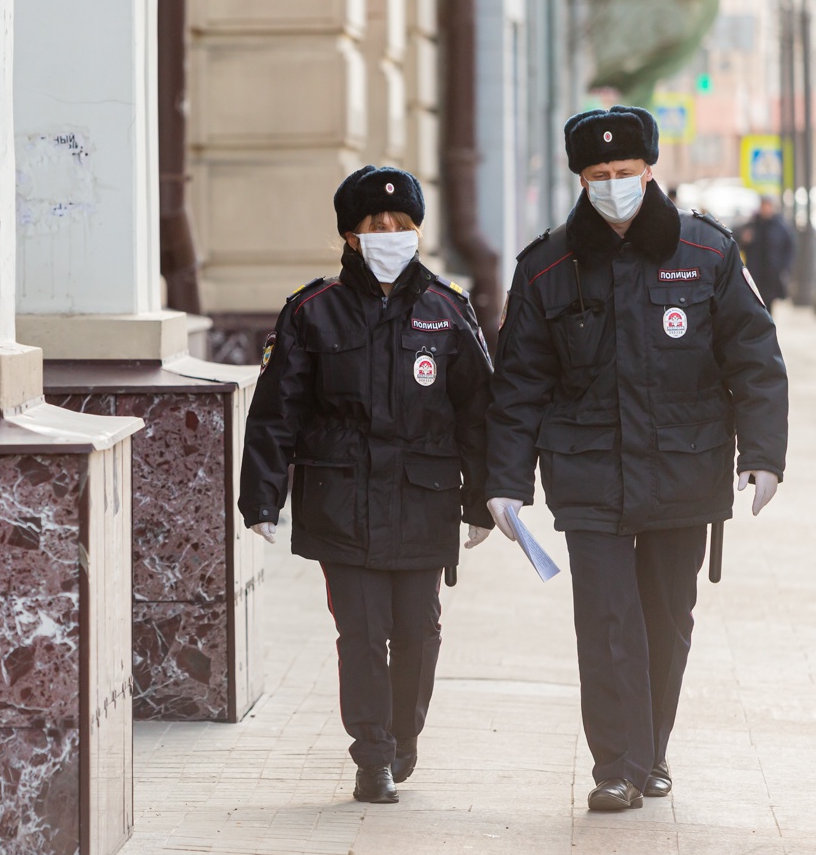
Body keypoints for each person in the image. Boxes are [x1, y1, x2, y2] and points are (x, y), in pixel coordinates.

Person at [485, 106, 789, 812]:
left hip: (685, 468)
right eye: (599, 175)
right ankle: (615, 768)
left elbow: (756, 357)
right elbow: (519, 383)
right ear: (581, 180)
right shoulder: (547, 267)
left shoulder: (710, 253)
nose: (613, 186)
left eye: (625, 173)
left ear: (649, 171)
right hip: (587, 472)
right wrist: (504, 482)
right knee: (606, 621)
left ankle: (651, 752)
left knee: (667, 620)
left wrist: (763, 453)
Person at [240, 166, 494, 804]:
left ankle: (405, 736)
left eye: (400, 224)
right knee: (360, 632)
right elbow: (278, 410)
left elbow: (480, 413)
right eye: (374, 225)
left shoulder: (448, 308)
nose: (388, 233)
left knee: (418, 631)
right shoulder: (311, 311)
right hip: (340, 500)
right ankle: (372, 755)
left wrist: (485, 497)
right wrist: (262, 496)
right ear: (350, 236)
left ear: (416, 230)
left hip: (423, 499)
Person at [738, 196, 796, 306]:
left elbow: (789, 247)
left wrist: (784, 267)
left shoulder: (780, 227)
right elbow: (738, 243)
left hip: (772, 274)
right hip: (755, 272)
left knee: (768, 303)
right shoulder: (752, 224)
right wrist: (744, 239)